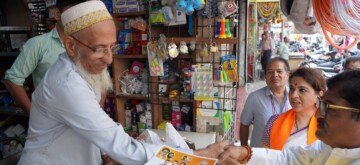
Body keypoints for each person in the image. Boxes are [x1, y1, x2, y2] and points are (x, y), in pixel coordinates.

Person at [17, 1, 227, 164]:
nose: (109, 59)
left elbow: (93, 128)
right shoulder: (66, 85)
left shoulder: (79, 70)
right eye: (99, 49)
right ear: (71, 46)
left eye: (112, 47)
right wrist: (194, 156)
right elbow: (122, 146)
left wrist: (105, 152)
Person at [218, 70, 360, 165]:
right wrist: (244, 153)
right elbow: (287, 159)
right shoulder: (327, 147)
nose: (318, 114)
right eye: (291, 88)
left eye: (328, 108)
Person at [4, 0, 85, 113]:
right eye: (72, 13)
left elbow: (100, 78)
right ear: (57, 14)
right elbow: (12, 80)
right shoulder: (38, 44)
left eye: (82, 14)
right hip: (51, 119)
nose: (77, 19)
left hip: (83, 116)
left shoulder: (86, 44)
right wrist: (33, 114)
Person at [262, 68, 326, 150]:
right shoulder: (273, 122)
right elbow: (265, 156)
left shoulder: (328, 126)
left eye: (302, 90)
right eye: (292, 89)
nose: (293, 95)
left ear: (319, 94)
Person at [240, 57, 292, 147]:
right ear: (265, 77)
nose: (275, 75)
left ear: (287, 75)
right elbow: (244, 124)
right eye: (270, 72)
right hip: (261, 155)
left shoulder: (295, 98)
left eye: (279, 71)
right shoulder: (254, 98)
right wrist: (244, 149)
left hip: (287, 156)